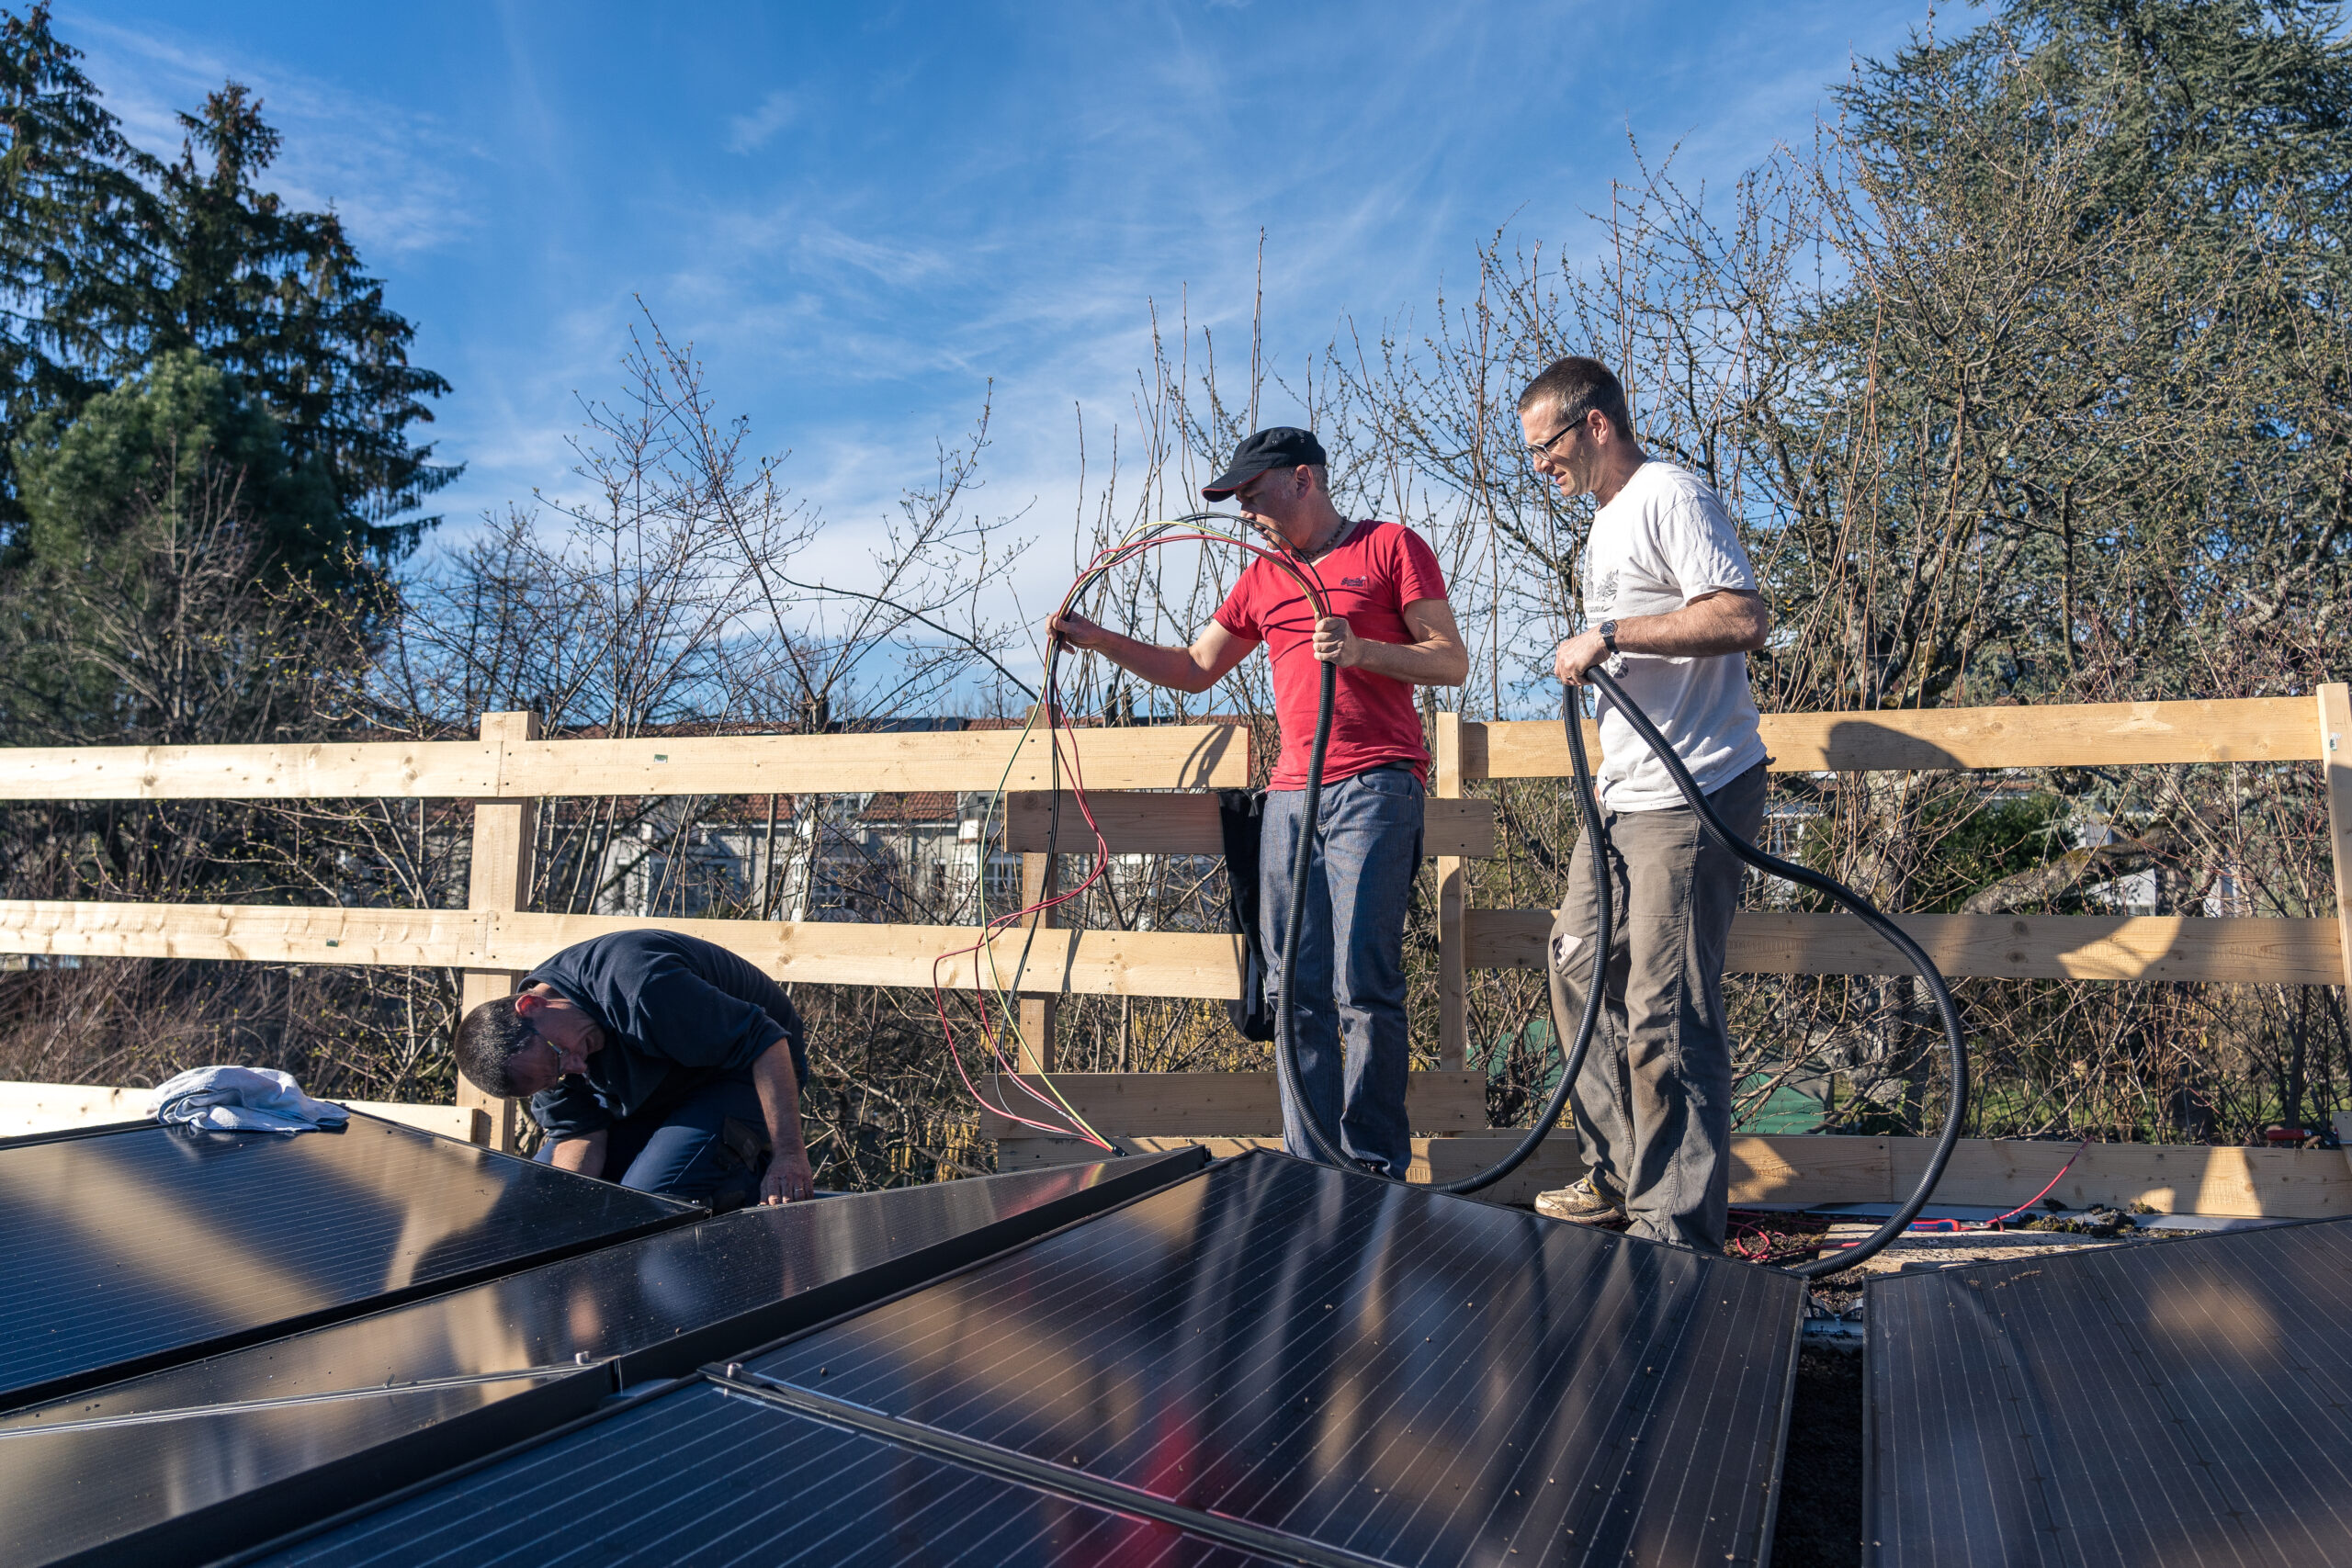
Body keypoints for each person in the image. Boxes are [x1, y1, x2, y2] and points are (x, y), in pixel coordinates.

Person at [1049, 427, 1468, 1177]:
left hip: (1376, 785)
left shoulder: (1390, 546)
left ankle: (1374, 1163)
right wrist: (1095, 637)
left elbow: (1450, 659)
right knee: (1293, 988)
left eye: (1252, 494)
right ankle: (1313, 1165)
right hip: (1289, 798)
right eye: (1237, 500)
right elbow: (1193, 667)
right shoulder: (1264, 577)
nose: (1245, 513)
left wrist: (1363, 649)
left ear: (1302, 480)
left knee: (1363, 984)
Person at [1519, 356, 1770, 1252]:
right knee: (1576, 967)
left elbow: (1741, 616)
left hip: (1693, 790)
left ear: (1593, 426)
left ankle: (1673, 1228)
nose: (1537, 465)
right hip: (1622, 798)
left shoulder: (1669, 494)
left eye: (1543, 446)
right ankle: (1622, 1174)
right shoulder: (1602, 524)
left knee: (1666, 1010)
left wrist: (1612, 634)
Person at [451, 928, 815, 1207]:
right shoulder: (544, 1056)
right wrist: (557, 1211)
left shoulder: (639, 987)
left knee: (651, 1199)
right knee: (542, 1195)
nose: (575, 1067)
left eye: (561, 1055)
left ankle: (737, 1183)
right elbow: (580, 1133)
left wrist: (789, 1155)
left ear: (531, 1005)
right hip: (660, 1086)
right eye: (558, 1075)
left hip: (746, 1069)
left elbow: (766, 1040)